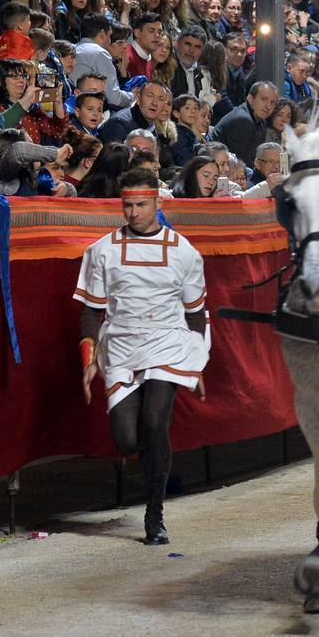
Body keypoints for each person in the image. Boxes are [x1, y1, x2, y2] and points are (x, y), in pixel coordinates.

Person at [76, 168, 209, 545]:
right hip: (119, 348)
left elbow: (196, 312)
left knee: (154, 422)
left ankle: (155, 514)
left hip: (168, 343)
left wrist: (196, 360)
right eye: (127, 205)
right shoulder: (101, 251)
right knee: (127, 440)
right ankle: (156, 477)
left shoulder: (184, 252)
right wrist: (88, 359)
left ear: (157, 202)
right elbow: (90, 311)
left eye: (141, 204)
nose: (133, 213)